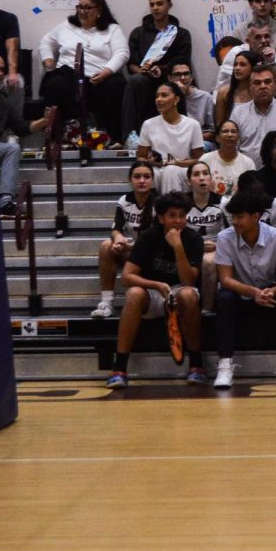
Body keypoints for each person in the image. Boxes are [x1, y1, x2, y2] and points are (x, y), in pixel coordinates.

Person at [213, 189, 276, 388]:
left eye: (240, 217)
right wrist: (253, 293)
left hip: (269, 294)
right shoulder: (224, 237)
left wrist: (272, 292)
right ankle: (224, 364)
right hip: (241, 293)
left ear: (256, 216)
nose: (235, 222)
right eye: (233, 217)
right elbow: (225, 279)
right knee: (224, 297)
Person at [105, 192, 206, 388]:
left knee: (188, 295)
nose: (178, 220)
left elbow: (189, 281)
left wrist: (178, 247)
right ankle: (119, 368)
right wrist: (156, 285)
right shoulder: (148, 237)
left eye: (182, 215)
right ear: (161, 218)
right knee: (134, 294)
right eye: (172, 215)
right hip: (152, 292)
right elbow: (127, 277)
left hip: (180, 291)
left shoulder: (194, 239)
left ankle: (196, 365)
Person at [39, 0, 128, 145]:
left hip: (100, 77)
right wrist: (49, 62)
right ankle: (58, 138)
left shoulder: (112, 29)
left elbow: (122, 53)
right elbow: (46, 42)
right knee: (54, 83)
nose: (82, 11)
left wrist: (106, 72)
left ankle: (112, 138)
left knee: (117, 85)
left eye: (88, 7)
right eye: (80, 7)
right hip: (69, 75)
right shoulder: (66, 26)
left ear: (99, 10)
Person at [121, 0, 193, 143]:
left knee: (178, 84)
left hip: (169, 78)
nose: (155, 8)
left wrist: (161, 69)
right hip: (144, 79)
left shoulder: (181, 34)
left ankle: (181, 137)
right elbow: (131, 64)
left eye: (160, 4)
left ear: (169, 5)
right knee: (134, 81)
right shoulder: (138, 33)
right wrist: (141, 70)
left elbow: (183, 61)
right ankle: (131, 136)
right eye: (152, 4)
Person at [0, 53, 46, 217]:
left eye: (2, 70)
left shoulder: (2, 100)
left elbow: (20, 127)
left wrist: (44, 121)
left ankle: (5, 202)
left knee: (12, 148)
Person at [90, 160, 156, 319]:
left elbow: (155, 242)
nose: (142, 181)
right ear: (130, 180)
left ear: (152, 180)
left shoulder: (159, 203)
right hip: (135, 253)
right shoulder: (124, 201)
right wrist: (118, 238)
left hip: (154, 257)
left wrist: (128, 247)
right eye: (137, 176)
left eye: (146, 177)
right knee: (106, 246)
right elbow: (116, 228)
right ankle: (107, 303)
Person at [135, 80, 204, 193]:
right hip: (158, 169)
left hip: (182, 169)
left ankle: (170, 203)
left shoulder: (193, 125)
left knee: (170, 171)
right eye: (157, 96)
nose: (159, 99)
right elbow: (141, 157)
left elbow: (199, 160)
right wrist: (151, 162)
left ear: (176, 99)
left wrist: (179, 163)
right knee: (149, 174)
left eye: (164, 95)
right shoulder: (148, 124)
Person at [186, 159, 225, 311]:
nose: (202, 178)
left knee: (208, 262)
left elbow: (232, 233)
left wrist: (218, 245)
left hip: (216, 248)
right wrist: (197, 246)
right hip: (189, 248)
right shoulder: (182, 203)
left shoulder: (223, 203)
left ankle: (207, 310)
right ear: (189, 181)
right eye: (196, 174)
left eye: (205, 173)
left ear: (211, 178)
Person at [213, 23, 276, 102]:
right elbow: (240, 83)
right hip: (229, 99)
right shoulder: (236, 53)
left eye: (266, 36)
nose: (264, 41)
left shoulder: (271, 55)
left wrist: (271, 63)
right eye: (258, 37)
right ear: (248, 41)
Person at [168, 62, 215, 147]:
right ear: (170, 78)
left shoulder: (205, 97)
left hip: (200, 140)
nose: (183, 78)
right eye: (178, 74)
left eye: (186, 74)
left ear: (191, 77)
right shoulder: (166, 98)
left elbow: (213, 132)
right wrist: (179, 96)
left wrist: (191, 139)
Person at [207, 118, 256, 199]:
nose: (230, 135)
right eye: (225, 131)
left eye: (233, 131)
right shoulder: (206, 159)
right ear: (217, 138)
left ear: (238, 138)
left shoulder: (248, 163)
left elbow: (251, 192)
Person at [213, 48, 261, 127]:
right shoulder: (224, 92)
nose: (237, 68)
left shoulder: (259, 91)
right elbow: (220, 124)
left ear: (253, 67)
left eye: (242, 65)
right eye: (235, 64)